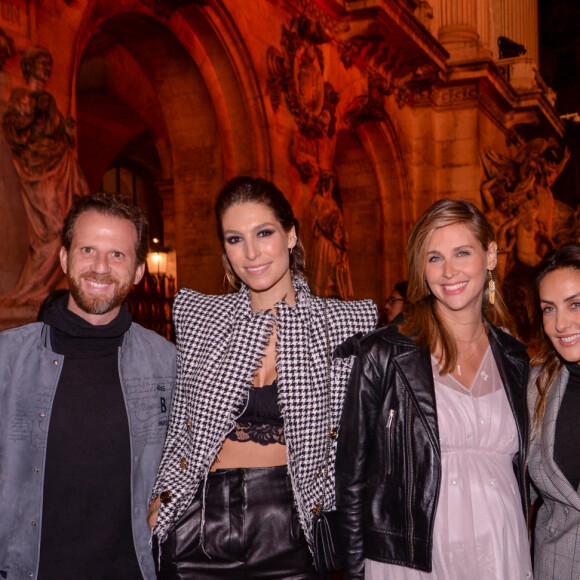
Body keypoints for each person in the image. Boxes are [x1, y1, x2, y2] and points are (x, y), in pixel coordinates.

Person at [149, 176, 377, 578]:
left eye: (264, 233)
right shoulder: (199, 316)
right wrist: (161, 499)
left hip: (294, 527)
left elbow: (357, 439)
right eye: (235, 239)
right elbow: (181, 425)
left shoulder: (346, 323)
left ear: (291, 235)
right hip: (199, 525)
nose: (251, 252)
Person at [336, 199, 532, 579]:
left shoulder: (516, 358)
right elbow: (351, 476)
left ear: (490, 255)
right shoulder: (385, 354)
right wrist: (355, 569)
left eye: (462, 253)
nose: (448, 271)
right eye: (434, 258)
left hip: (500, 547)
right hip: (411, 556)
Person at [0, 192, 176, 579]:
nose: (100, 267)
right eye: (88, 250)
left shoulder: (167, 363)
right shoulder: (7, 360)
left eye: (117, 255)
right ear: (64, 258)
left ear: (138, 272)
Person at [1, 46, 89, 306]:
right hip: (36, 168)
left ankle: (55, 289)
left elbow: (60, 131)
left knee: (67, 226)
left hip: (60, 165)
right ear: (29, 67)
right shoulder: (21, 96)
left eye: (49, 63)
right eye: (41, 63)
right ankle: (32, 290)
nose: (47, 68)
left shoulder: (49, 99)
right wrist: (33, 114)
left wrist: (68, 131)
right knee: (51, 229)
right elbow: (15, 131)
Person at [528, 243, 580, 579]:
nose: (561, 324)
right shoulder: (537, 386)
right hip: (557, 566)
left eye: (576, 304)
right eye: (549, 309)